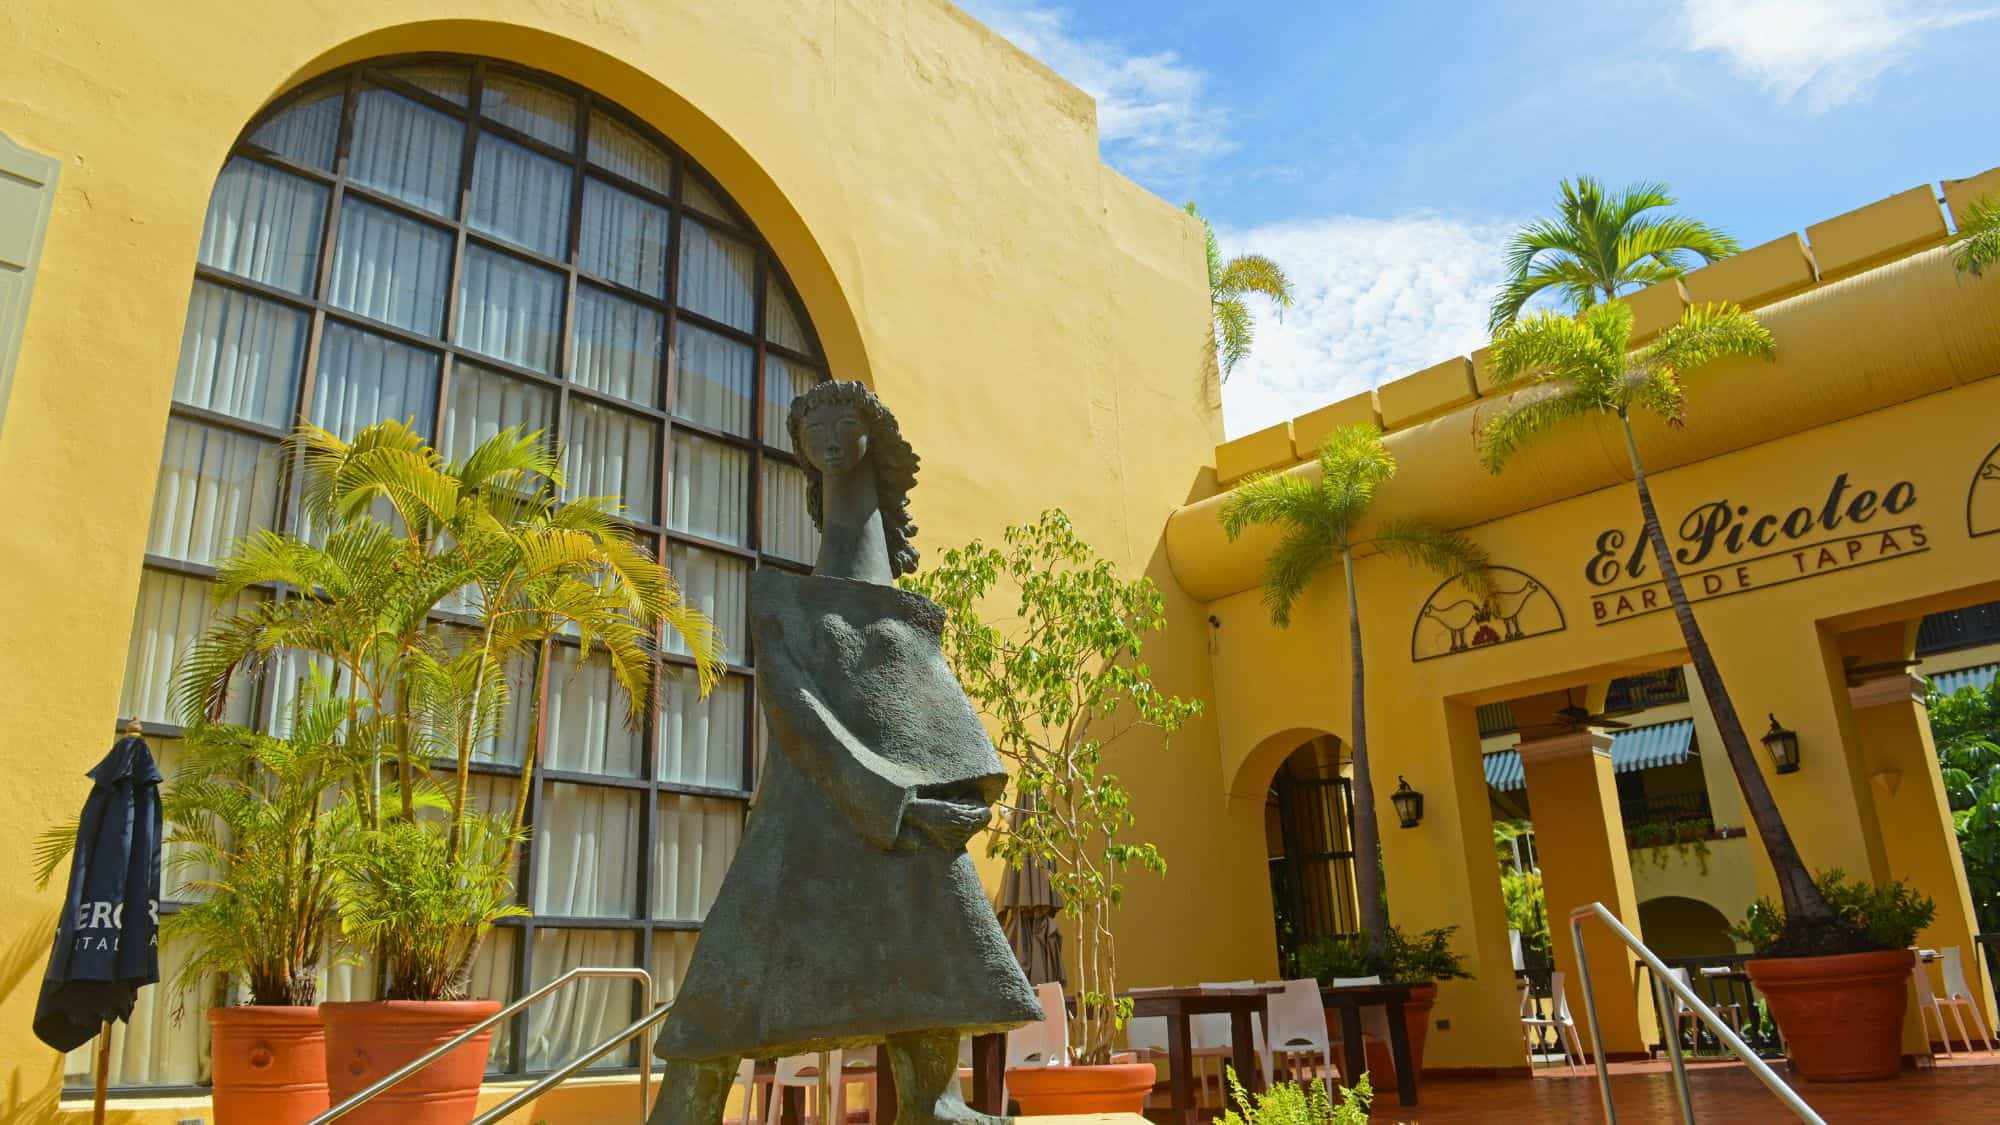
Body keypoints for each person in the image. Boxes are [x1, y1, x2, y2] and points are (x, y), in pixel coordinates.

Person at [649, 381, 1040, 1125]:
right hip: (809, 823)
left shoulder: (905, 617)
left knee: (937, 905)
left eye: (843, 420)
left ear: (872, 436)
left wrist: (935, 800)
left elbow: (928, 713)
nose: (828, 434)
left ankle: (934, 1102)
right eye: (813, 425)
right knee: (720, 1001)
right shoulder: (783, 605)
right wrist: (894, 802)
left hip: (896, 820)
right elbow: (801, 724)